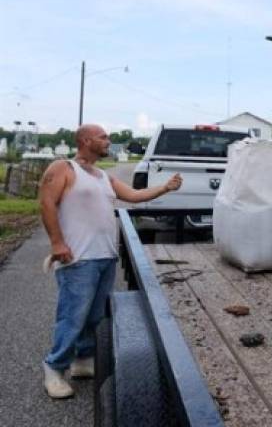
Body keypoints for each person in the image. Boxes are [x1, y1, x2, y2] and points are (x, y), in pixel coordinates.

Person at [38, 124, 183, 399]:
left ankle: (82, 360)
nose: (109, 141)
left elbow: (134, 196)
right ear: (85, 140)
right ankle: (54, 368)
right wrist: (57, 242)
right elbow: (46, 203)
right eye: (103, 137)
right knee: (73, 316)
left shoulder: (103, 176)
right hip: (78, 258)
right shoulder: (64, 168)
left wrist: (165, 188)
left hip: (105, 256)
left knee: (95, 315)